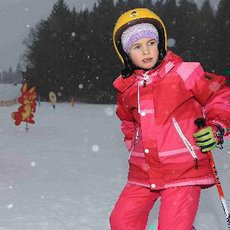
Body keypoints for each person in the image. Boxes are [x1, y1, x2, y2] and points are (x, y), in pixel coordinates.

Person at [110, 8, 230, 230]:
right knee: (122, 221)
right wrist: (134, 145)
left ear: (161, 43)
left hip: (183, 168)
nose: (146, 51)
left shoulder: (184, 73)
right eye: (137, 46)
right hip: (144, 171)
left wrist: (217, 127)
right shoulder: (126, 88)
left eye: (151, 43)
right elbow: (127, 122)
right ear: (126, 54)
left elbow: (221, 94)